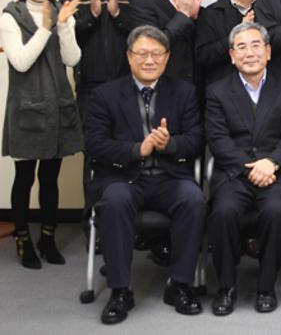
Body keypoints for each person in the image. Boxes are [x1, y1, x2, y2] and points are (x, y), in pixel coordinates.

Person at [85, 26, 206, 324]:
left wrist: (170, 144)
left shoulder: (185, 92)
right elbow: (95, 144)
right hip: (121, 178)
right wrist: (137, 149)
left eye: (156, 54)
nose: (149, 60)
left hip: (169, 178)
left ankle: (178, 285)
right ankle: (120, 291)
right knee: (114, 202)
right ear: (129, 57)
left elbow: (197, 139)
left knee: (194, 199)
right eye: (142, 53)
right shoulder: (104, 95)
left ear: (167, 58)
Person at [205, 22, 281, 315]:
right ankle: (226, 287)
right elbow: (217, 138)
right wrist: (248, 167)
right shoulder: (217, 91)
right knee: (223, 212)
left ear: (268, 51)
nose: (249, 53)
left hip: (274, 172)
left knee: (277, 212)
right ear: (231, 56)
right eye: (241, 47)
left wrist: (272, 163)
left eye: (255, 46)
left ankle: (266, 287)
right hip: (234, 174)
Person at [0, 0, 83, 269]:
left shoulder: (61, 12)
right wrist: (46, 27)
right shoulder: (11, 16)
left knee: (50, 178)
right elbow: (20, 61)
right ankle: (23, 239)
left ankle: (48, 238)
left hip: (57, 107)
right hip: (26, 109)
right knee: (24, 178)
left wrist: (62, 25)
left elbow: (72, 59)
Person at [60, 0, 145, 235]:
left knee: (133, 152)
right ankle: (93, 228)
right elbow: (65, 43)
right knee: (94, 158)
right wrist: (92, 17)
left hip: (131, 87)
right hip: (90, 90)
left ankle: (131, 225)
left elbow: (147, 38)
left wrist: (118, 15)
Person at [195, 0, 259, 86]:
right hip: (224, 95)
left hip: (267, 91)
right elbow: (203, 57)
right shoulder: (210, 14)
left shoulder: (269, 7)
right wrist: (235, 36)